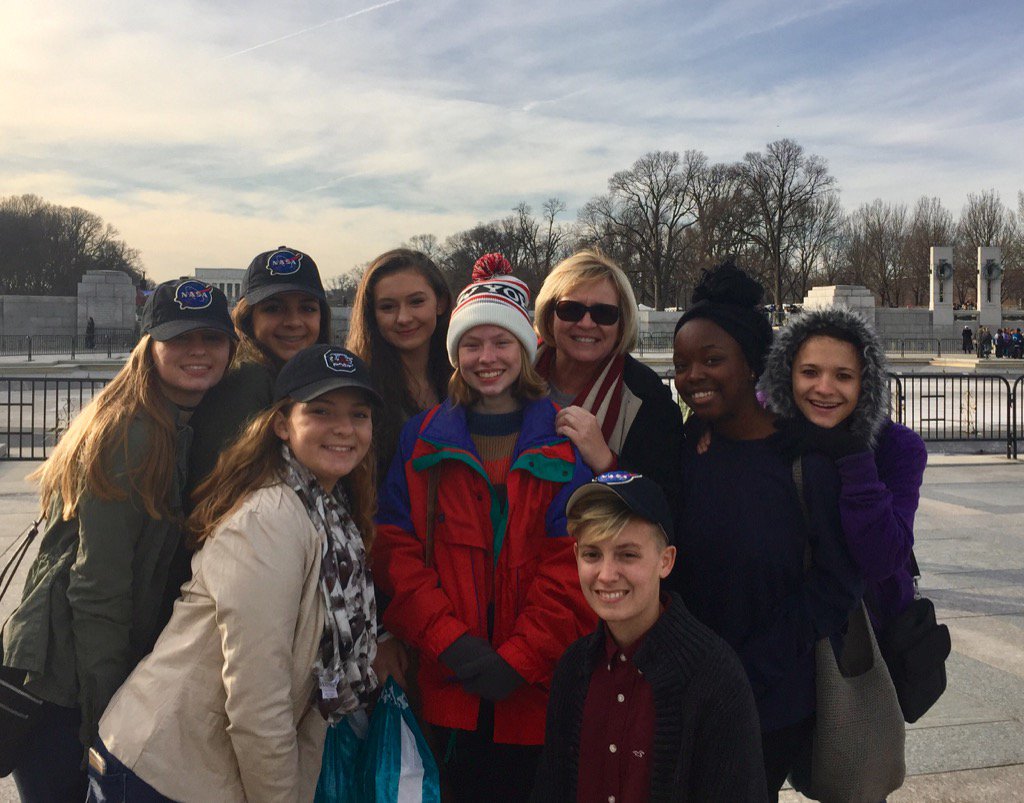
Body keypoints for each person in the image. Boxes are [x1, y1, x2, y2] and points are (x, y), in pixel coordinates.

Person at [89, 345, 382, 802]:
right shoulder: (270, 519)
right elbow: (256, 699)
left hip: (204, 769)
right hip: (166, 771)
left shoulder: (328, 509)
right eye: (321, 411)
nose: (344, 428)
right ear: (283, 424)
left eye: (358, 415)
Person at [1, 279, 235, 802]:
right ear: (149, 345)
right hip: (67, 684)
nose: (198, 350)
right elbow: (97, 585)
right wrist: (106, 714)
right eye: (180, 337)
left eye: (212, 338)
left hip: (67, 670)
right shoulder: (134, 433)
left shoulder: (168, 422)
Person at [373, 254, 596, 802]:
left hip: (537, 693)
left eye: (502, 343)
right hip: (450, 686)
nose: (487, 358)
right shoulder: (422, 437)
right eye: (471, 345)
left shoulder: (563, 439)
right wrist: (452, 645)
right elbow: (396, 551)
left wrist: (519, 659)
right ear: (454, 355)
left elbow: (575, 563)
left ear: (525, 352)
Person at [668, 259, 862, 801]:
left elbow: (838, 582)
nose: (693, 376)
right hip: (689, 685)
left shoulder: (806, 460)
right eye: (681, 365)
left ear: (752, 365)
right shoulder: (690, 448)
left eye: (712, 360)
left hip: (771, 697)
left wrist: (753, 668)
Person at [535, 471, 768, 802]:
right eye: (592, 554)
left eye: (628, 554)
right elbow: (551, 789)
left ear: (665, 561)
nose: (606, 574)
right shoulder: (573, 669)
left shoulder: (715, 676)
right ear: (575, 558)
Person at [759, 307, 928, 633]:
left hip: (866, 635)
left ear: (866, 384)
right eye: (809, 372)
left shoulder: (899, 448)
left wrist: (853, 455)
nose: (824, 388)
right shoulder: (766, 433)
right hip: (778, 627)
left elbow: (883, 559)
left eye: (843, 376)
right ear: (787, 375)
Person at [534, 249, 683, 495]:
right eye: (571, 309)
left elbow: (666, 503)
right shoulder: (513, 375)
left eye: (604, 314)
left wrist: (606, 462)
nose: (586, 323)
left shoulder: (648, 398)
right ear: (549, 316)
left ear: (621, 323)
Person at [188, 245, 331, 486]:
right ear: (248, 318)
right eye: (273, 308)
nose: (294, 322)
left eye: (307, 308)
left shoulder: (285, 376)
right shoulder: (245, 382)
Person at [346, 247, 453, 481]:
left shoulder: (466, 375)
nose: (403, 318)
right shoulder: (357, 388)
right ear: (371, 314)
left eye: (416, 302)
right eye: (387, 307)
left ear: (441, 303)